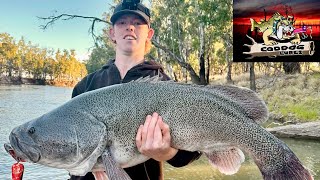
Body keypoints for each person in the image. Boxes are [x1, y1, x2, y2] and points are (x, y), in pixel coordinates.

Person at [70, 1, 201, 180]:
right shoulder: (85, 87)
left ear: (149, 34)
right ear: (112, 33)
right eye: (122, 22)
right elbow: (70, 148)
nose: (130, 27)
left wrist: (167, 153)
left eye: (138, 23)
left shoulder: (168, 87)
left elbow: (194, 150)